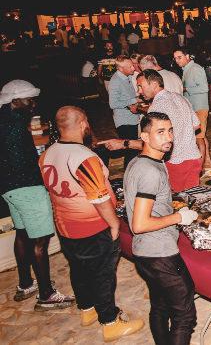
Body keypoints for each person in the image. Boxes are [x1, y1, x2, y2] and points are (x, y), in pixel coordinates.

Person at [40, 106, 144, 340]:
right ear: (82, 124)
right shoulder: (83, 156)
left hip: (65, 226)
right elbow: (98, 196)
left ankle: (86, 310)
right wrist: (114, 224)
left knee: (78, 268)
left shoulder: (48, 153)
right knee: (102, 274)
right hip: (92, 227)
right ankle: (110, 321)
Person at [0, 80, 76, 311]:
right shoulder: (14, 126)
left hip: (9, 188)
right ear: (15, 102)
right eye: (28, 100)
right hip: (27, 187)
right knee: (40, 240)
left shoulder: (6, 119)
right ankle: (46, 294)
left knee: (22, 233)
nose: (33, 104)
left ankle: (26, 284)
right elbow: (21, 163)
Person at [124, 112, 199, 345]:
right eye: (160, 132)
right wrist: (179, 217)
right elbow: (140, 224)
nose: (168, 137)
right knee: (185, 316)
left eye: (170, 130)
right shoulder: (150, 171)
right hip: (160, 253)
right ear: (144, 136)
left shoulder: (139, 162)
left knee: (159, 306)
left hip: (143, 253)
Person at [100, 70, 202, 191]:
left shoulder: (157, 106)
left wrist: (123, 144)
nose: (139, 91)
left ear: (154, 84)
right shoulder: (180, 97)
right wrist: (182, 135)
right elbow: (196, 126)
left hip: (176, 163)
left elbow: (153, 144)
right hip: (194, 158)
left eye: (140, 86)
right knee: (191, 201)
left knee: (174, 204)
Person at [174, 48, 211, 171]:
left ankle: (199, 168)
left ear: (187, 56)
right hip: (193, 107)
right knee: (202, 135)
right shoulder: (186, 70)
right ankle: (207, 161)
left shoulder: (195, 69)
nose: (177, 61)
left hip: (199, 107)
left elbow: (204, 88)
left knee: (198, 137)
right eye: (175, 58)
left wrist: (185, 90)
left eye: (179, 57)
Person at [108, 55, 141, 170]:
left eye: (132, 65)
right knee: (131, 151)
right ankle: (128, 177)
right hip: (124, 120)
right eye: (130, 66)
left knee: (132, 151)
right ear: (120, 69)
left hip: (131, 118)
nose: (133, 68)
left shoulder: (126, 77)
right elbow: (113, 104)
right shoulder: (116, 81)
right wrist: (134, 100)